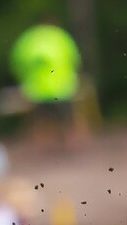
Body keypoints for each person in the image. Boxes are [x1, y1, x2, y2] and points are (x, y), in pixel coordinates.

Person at [7, 18, 82, 147]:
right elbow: (75, 59)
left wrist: (24, 79)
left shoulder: (28, 38)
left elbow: (16, 62)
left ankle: (43, 147)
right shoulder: (61, 36)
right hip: (62, 87)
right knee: (67, 118)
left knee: (40, 120)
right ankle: (71, 144)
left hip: (36, 89)